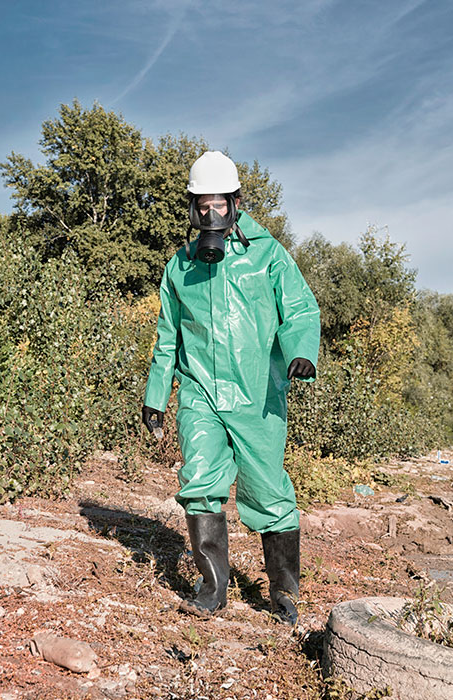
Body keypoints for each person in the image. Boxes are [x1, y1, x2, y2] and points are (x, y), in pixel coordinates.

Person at [141, 151, 320, 625]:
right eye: (203, 206)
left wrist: (301, 350)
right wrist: (156, 396)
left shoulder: (268, 255)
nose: (212, 215)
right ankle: (213, 587)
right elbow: (167, 335)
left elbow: (300, 308)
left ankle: (284, 593)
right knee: (198, 479)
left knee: (267, 491)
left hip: (258, 393)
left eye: (220, 205)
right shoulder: (180, 266)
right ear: (193, 207)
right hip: (200, 392)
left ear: (238, 202)